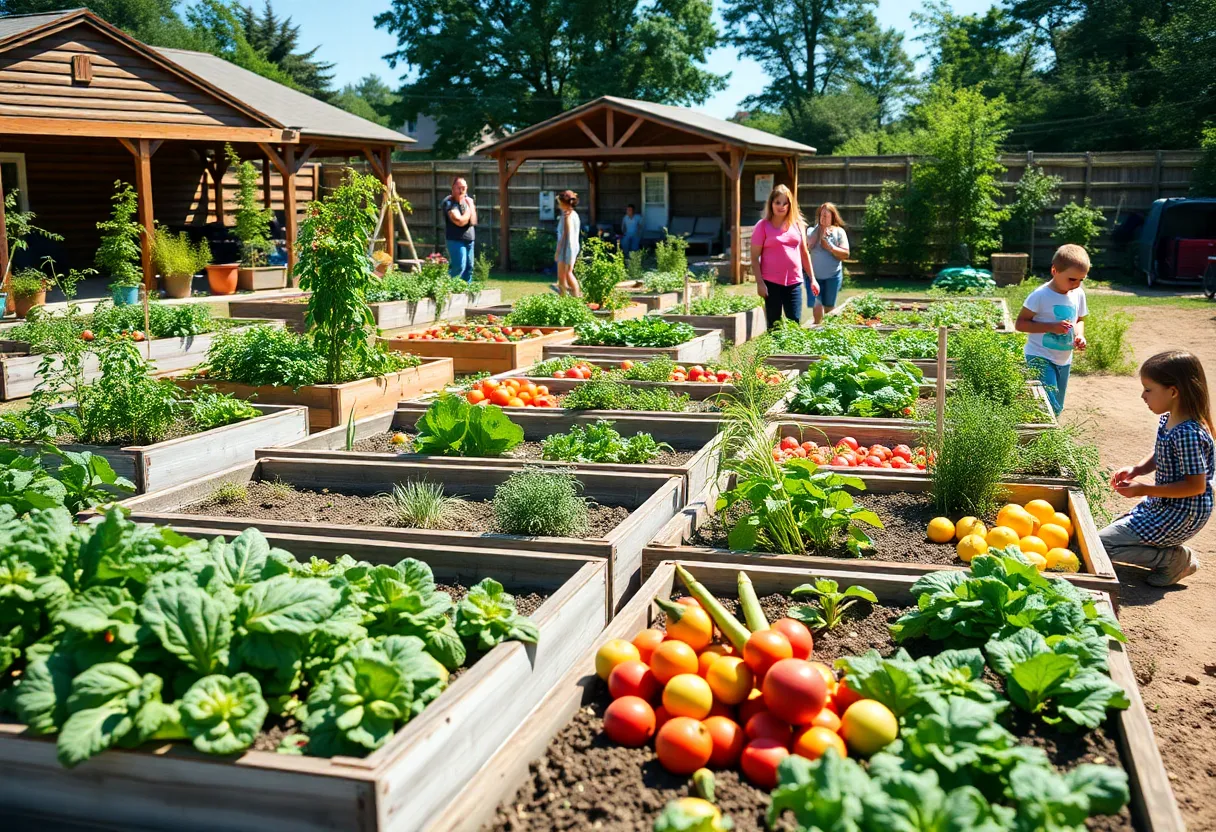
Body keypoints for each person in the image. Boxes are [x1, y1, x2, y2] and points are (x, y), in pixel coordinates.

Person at [1100, 350, 1212, 586]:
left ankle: (1172, 560)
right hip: (1163, 506)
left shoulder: (1188, 433)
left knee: (1099, 547)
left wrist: (1143, 489)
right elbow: (1161, 452)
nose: (1143, 396)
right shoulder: (1170, 419)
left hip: (1181, 514)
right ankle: (1166, 553)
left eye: (1148, 390)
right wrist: (1137, 469)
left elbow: (1195, 486)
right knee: (1099, 541)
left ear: (1173, 391)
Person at [1015, 244, 1089, 415]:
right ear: (1055, 271)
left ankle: (1046, 437)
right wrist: (1051, 327)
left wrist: (1080, 335)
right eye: (1072, 279)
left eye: (1081, 280)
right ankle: (1043, 437)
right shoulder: (1040, 295)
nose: (1077, 284)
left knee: (1058, 407)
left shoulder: (1078, 294)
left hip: (1064, 359)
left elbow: (1079, 319)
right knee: (1049, 404)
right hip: (1040, 356)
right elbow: (1020, 324)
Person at [750, 184, 817, 329]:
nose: (781, 206)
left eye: (785, 203)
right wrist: (760, 283)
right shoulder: (762, 226)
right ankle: (774, 352)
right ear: (771, 204)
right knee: (774, 325)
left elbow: (804, 253)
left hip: (794, 282)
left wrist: (813, 279)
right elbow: (754, 258)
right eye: (777, 202)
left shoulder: (798, 225)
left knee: (794, 322)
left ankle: (792, 352)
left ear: (790, 205)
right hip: (771, 283)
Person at [806, 202, 849, 324]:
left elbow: (846, 254)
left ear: (833, 216)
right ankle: (817, 327)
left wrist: (830, 247)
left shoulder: (839, 232)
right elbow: (808, 246)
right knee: (817, 304)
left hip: (833, 276)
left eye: (826, 215)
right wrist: (820, 232)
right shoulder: (811, 231)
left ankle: (829, 330)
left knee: (829, 305)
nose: (823, 218)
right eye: (821, 215)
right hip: (815, 277)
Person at [440, 177, 477, 282]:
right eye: (459, 188)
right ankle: (449, 289)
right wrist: (470, 209)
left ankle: (465, 293)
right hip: (455, 239)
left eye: (464, 188)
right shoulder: (449, 203)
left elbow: (473, 221)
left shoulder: (467, 202)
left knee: (469, 268)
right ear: (453, 188)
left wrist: (470, 209)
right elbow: (459, 221)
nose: (462, 191)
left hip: (469, 239)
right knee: (460, 266)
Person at [555, 190, 582, 297]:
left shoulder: (568, 216)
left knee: (568, 274)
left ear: (564, 203)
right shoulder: (571, 214)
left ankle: (576, 300)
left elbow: (566, 235)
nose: (558, 205)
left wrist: (558, 250)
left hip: (567, 247)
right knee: (562, 277)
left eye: (559, 202)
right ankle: (563, 301)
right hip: (570, 247)